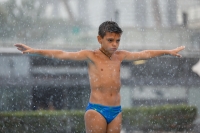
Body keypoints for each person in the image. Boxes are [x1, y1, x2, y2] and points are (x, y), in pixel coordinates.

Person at [15, 21, 185, 133]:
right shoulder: (91, 56)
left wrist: (167, 51)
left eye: (117, 41)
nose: (114, 44)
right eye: (110, 40)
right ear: (99, 39)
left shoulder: (121, 55)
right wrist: (34, 50)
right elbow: (61, 53)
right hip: (97, 110)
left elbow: (145, 53)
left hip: (116, 110)